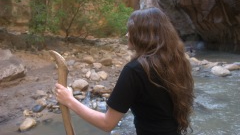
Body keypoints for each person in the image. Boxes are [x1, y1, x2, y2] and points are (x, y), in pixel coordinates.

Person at [55, 7, 194, 135]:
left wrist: (69, 100)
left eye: (131, 30)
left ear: (143, 35)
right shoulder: (177, 63)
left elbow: (106, 123)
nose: (127, 34)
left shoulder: (134, 71)